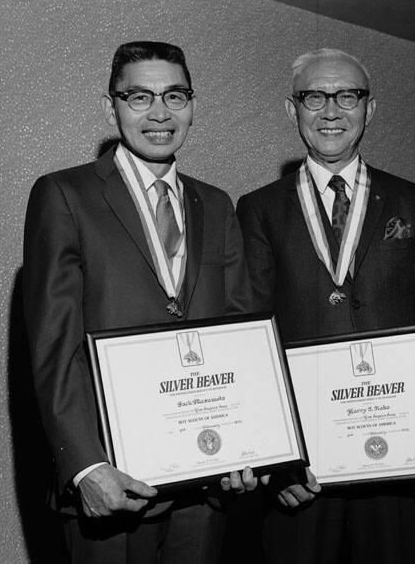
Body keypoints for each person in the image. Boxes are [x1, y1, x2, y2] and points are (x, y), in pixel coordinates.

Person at [235, 48, 415, 563]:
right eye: (314, 97)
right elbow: (252, 336)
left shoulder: (413, 202)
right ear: (291, 110)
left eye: (347, 96)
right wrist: (275, 456)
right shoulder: (259, 209)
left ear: (370, 109)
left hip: (396, 443)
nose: (331, 111)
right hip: (305, 463)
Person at [23, 41, 256, 564]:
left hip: (205, 480)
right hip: (112, 483)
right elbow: (54, 344)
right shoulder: (64, 195)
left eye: (175, 96)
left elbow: (239, 333)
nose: (159, 113)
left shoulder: (216, 205)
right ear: (112, 108)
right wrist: (84, 467)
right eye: (139, 97)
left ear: (192, 106)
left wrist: (251, 445)